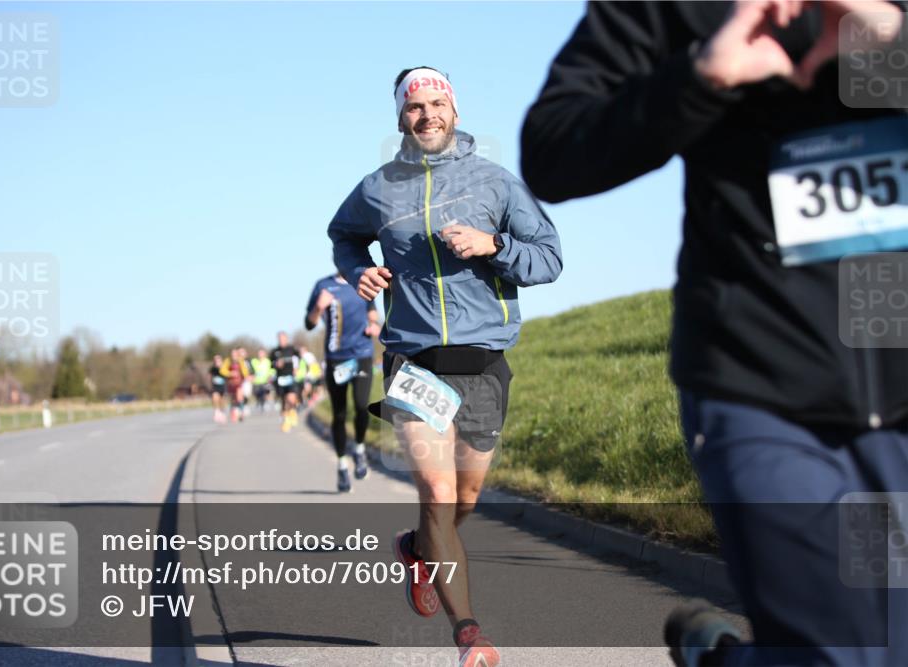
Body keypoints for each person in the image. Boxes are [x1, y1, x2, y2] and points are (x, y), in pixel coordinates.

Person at [520, 2, 908, 666]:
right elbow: (552, 149)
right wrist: (700, 76)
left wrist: (895, 41)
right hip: (760, 381)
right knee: (837, 651)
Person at [328, 66, 562, 667]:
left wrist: (494, 247)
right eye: (415, 107)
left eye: (437, 103)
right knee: (436, 492)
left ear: (454, 111)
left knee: (463, 501)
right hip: (413, 361)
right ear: (400, 118)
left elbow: (549, 259)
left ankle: (416, 547)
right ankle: (470, 635)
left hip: (483, 364)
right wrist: (360, 271)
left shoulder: (495, 183)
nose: (427, 114)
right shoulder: (377, 188)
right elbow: (344, 235)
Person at [305, 273, 381, 493]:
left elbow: (372, 310)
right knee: (339, 413)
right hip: (336, 357)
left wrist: (374, 325)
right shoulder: (323, 285)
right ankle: (341, 466)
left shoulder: (363, 279)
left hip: (362, 354)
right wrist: (319, 308)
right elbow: (309, 324)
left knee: (360, 406)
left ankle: (358, 448)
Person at [271, 332, 301, 432]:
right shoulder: (274, 351)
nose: (281, 341)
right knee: (284, 401)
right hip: (280, 379)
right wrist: (276, 364)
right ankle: (286, 420)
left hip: (290, 377)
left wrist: (296, 368)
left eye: (283, 339)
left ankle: (292, 413)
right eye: (279, 339)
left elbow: (298, 358)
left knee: (291, 398)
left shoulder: (292, 349)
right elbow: (271, 364)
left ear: (286, 339)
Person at [250, 348, 274, 413]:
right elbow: (251, 370)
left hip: (265, 380)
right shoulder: (253, 361)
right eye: (259, 353)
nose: (260, 355)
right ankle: (259, 403)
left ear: (264, 354)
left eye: (261, 353)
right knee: (257, 393)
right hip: (256, 381)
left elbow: (271, 370)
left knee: (265, 392)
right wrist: (251, 376)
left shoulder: (268, 361)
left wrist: (270, 376)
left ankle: (265, 403)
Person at [208, 353, 227, 423]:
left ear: (221, 360)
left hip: (223, 386)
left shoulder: (224, 367)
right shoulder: (212, 368)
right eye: (215, 360)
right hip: (215, 387)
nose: (216, 361)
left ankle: (222, 412)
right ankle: (217, 412)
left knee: (222, 401)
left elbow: (228, 375)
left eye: (218, 359)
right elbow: (209, 376)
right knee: (215, 397)